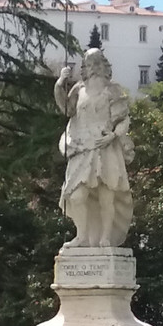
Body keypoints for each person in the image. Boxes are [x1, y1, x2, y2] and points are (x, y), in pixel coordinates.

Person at [54, 49, 134, 247]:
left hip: (105, 147)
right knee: (76, 195)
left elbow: (124, 120)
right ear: (84, 68)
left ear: (103, 65)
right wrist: (59, 85)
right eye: (89, 64)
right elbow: (67, 109)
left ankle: (105, 237)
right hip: (81, 146)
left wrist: (114, 136)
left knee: (106, 196)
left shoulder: (113, 89)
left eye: (96, 63)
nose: (93, 68)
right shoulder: (79, 89)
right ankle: (81, 236)